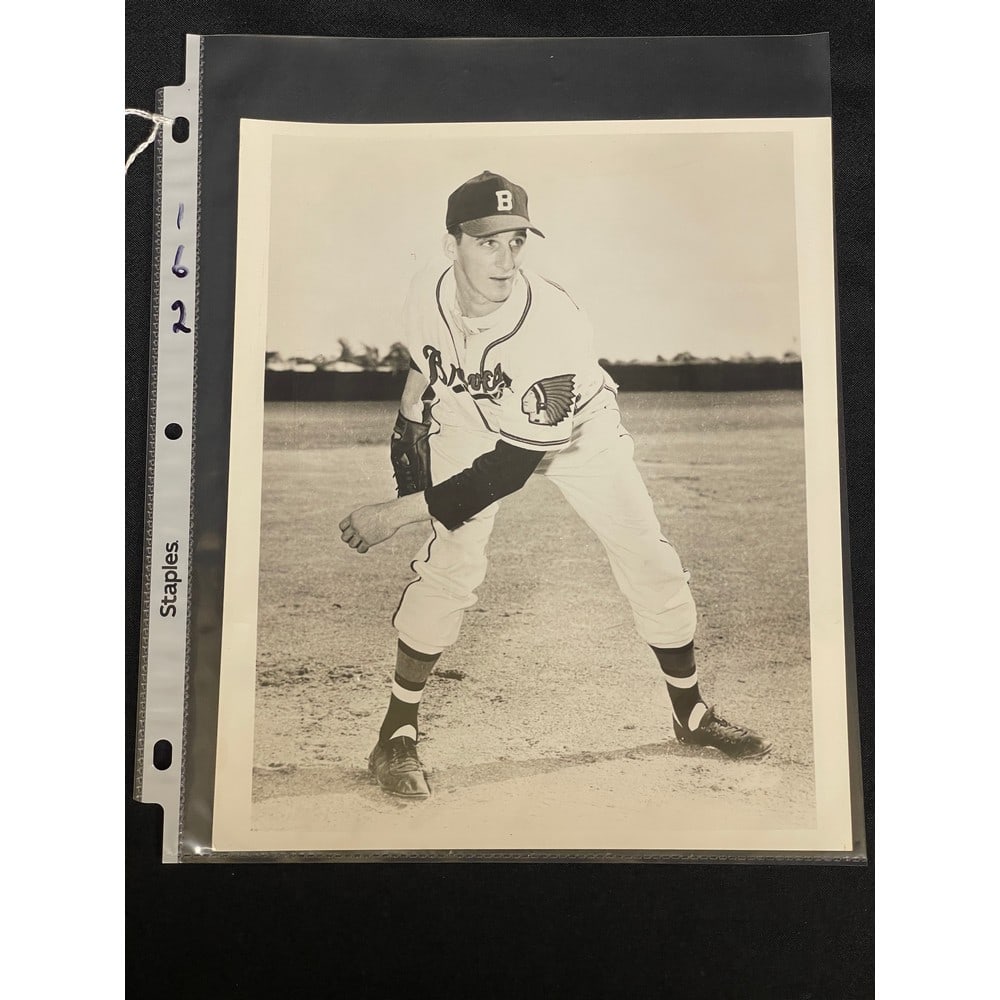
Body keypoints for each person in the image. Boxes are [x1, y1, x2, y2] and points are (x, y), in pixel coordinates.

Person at [339, 170, 771, 799]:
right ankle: (396, 735)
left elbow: (509, 469)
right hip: (467, 420)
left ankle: (692, 713)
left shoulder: (552, 323)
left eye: (516, 240)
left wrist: (400, 510)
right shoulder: (422, 291)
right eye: (487, 241)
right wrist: (409, 421)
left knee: (648, 557)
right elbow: (422, 364)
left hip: (576, 432)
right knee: (450, 567)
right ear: (451, 243)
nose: (504, 257)